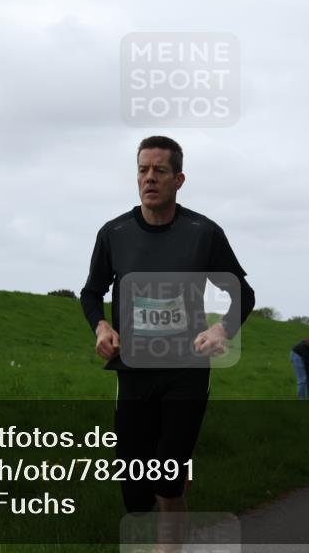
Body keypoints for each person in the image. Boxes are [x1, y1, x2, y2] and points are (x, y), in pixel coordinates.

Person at [80, 136, 256, 522]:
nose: (149, 178)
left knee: (166, 479)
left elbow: (242, 292)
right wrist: (101, 327)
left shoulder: (202, 233)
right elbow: (91, 293)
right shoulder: (115, 234)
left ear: (179, 179)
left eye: (160, 170)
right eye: (143, 170)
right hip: (134, 370)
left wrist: (221, 331)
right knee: (135, 488)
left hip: (186, 370)